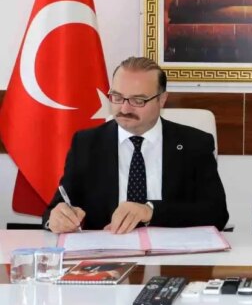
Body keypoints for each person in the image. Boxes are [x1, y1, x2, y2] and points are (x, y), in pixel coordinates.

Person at [42, 56, 229, 234]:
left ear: (162, 100)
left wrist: (151, 211)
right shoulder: (86, 144)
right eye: (117, 97)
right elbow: (57, 207)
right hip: (107, 250)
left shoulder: (195, 144)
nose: (124, 109)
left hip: (172, 252)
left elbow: (217, 214)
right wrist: (56, 218)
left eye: (138, 100)